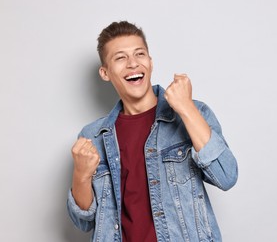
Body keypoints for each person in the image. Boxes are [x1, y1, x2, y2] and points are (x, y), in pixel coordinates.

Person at [67, 21, 238, 242]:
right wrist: (80, 175)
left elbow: (227, 176)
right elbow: (83, 222)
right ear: (105, 72)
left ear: (150, 62)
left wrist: (186, 109)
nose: (132, 63)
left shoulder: (194, 112)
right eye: (120, 58)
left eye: (139, 54)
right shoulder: (93, 136)